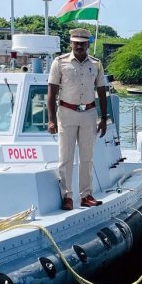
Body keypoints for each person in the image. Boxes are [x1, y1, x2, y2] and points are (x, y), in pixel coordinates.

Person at [47, 28, 109, 210]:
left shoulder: (96, 64)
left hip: (89, 114)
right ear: (71, 43)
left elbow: (101, 92)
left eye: (82, 43)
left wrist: (104, 118)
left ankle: (86, 195)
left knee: (87, 157)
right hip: (66, 113)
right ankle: (67, 196)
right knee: (65, 157)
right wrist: (51, 119)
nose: (79, 46)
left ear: (88, 44)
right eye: (76, 43)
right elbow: (51, 93)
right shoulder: (59, 62)